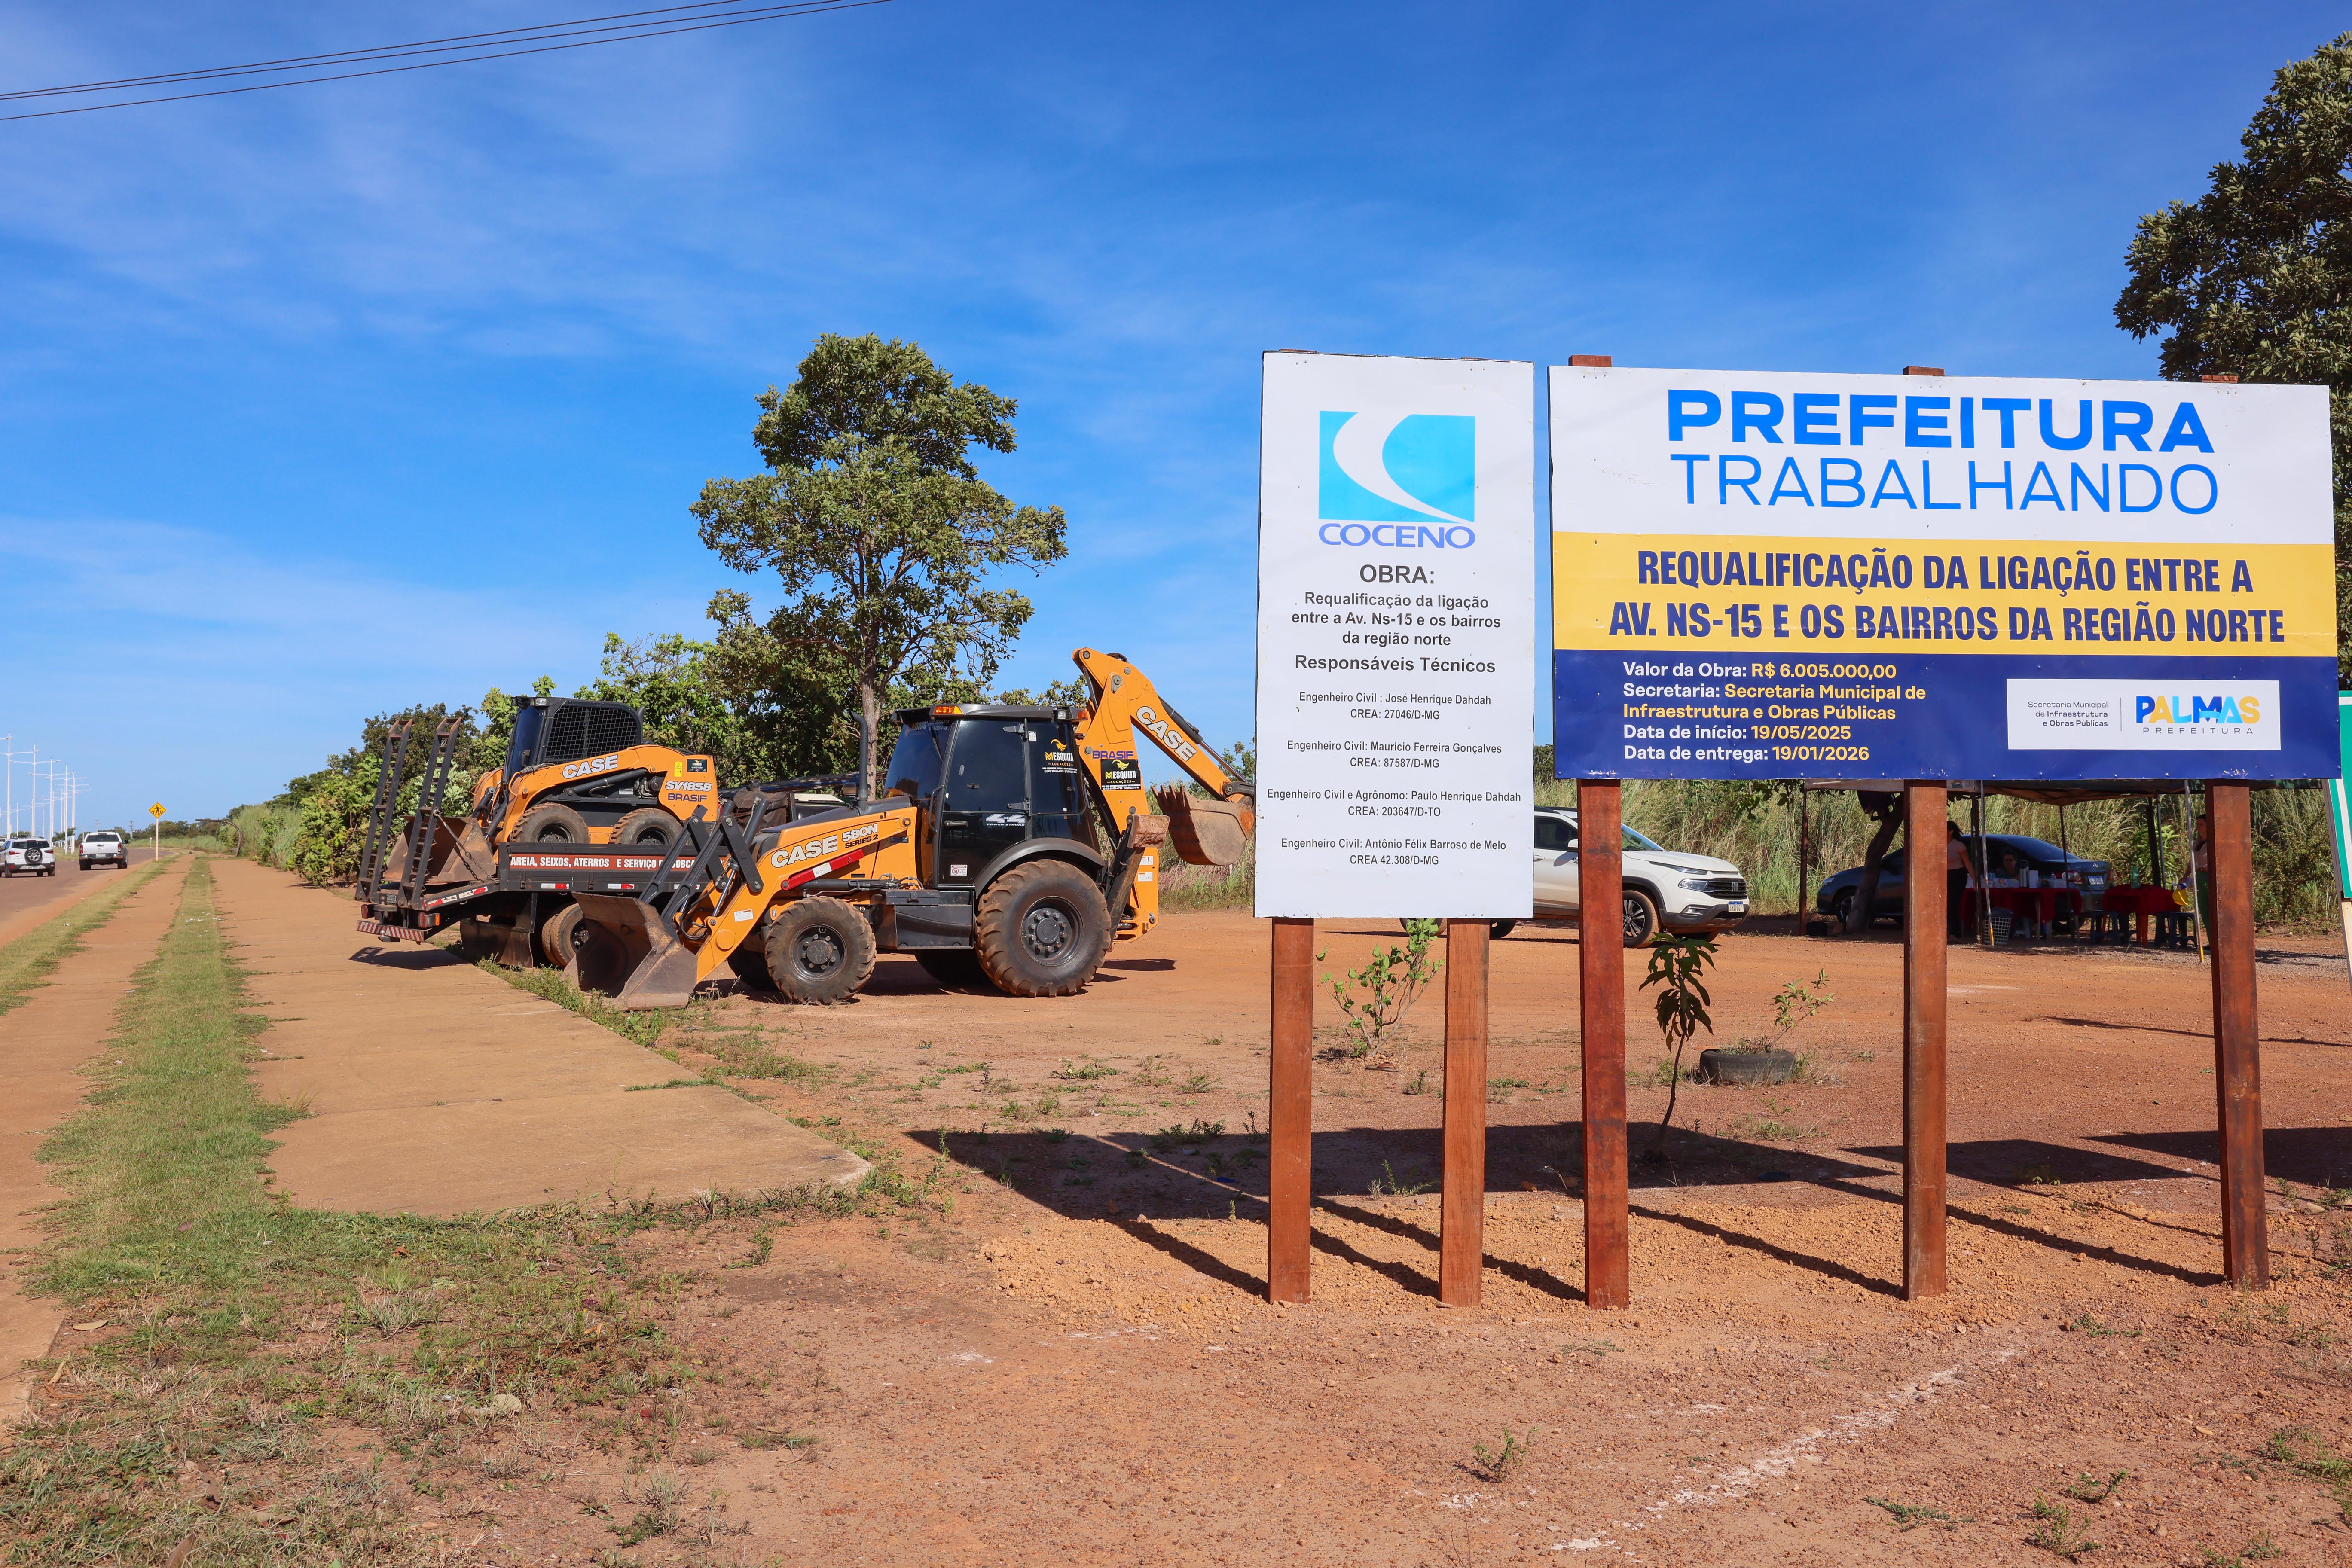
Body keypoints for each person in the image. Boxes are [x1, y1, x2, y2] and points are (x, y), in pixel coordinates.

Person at [1945, 822, 1973, 939]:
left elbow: (1967, 863)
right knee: (1942, 905)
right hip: (1943, 875)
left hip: (1958, 876)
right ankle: (1944, 931)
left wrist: (1976, 880)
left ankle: (1955, 934)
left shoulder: (1959, 846)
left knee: (1953, 904)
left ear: (1951, 832)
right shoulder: (1937, 843)